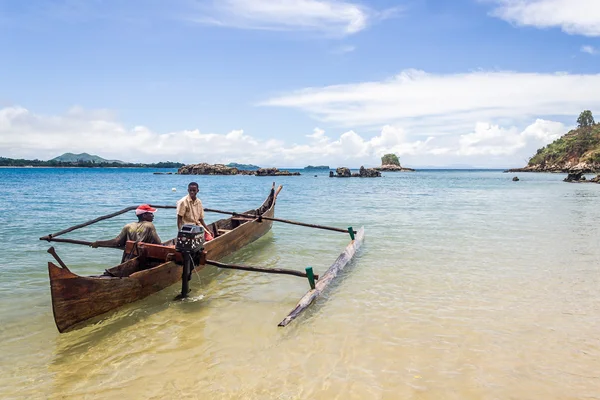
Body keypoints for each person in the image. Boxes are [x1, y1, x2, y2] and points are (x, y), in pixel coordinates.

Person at [91, 204, 162, 248]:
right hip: (144, 258)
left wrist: (99, 243)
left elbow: (117, 242)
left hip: (129, 256)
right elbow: (158, 243)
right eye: (151, 213)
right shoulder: (149, 225)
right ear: (144, 215)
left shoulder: (128, 226)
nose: (153, 216)